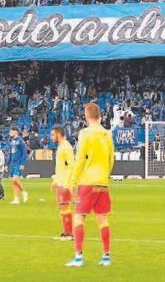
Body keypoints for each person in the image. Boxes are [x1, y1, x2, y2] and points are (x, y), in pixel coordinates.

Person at [65, 103, 115, 268]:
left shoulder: (85, 133)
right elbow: (111, 159)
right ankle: (106, 256)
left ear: (86, 116)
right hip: (102, 182)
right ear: (100, 116)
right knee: (102, 218)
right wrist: (105, 176)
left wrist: (73, 181)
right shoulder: (107, 134)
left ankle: (78, 257)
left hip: (87, 181)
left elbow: (79, 159)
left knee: (79, 216)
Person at [51, 126, 75, 241]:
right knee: (62, 207)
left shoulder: (66, 147)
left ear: (58, 134)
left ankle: (69, 233)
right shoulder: (61, 147)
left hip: (65, 182)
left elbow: (71, 166)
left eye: (52, 135)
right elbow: (60, 167)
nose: (51, 138)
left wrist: (69, 184)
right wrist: (55, 180)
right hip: (61, 181)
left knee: (65, 206)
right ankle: (66, 232)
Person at [7, 127, 29, 204]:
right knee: (14, 182)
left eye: (11, 131)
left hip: (18, 163)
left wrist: (22, 163)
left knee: (15, 180)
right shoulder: (11, 142)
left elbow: (24, 153)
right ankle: (16, 199)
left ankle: (24, 192)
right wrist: (7, 164)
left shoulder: (20, 141)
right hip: (12, 163)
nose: (9, 133)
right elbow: (10, 154)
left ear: (15, 132)